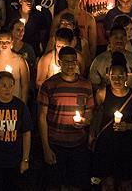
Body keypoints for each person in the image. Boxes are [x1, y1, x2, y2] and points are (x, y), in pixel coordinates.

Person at [38, 46, 93, 191]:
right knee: (54, 184)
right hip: (56, 144)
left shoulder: (85, 85)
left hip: (78, 144)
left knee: (76, 184)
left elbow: (90, 112)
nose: (70, 65)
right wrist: (46, 148)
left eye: (73, 62)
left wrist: (85, 121)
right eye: (66, 62)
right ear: (59, 62)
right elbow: (42, 116)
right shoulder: (49, 85)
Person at [89, 53, 132, 191]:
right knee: (107, 181)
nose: (117, 80)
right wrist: (92, 135)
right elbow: (96, 115)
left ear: (127, 76)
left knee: (125, 183)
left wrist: (127, 126)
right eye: (113, 76)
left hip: (126, 144)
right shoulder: (102, 93)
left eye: (121, 76)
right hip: (106, 143)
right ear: (109, 76)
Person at [0, 30, 29, 104]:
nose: (4, 44)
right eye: (1, 42)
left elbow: (25, 85)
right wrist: (1, 84)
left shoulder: (20, 61)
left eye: (7, 42)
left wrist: (23, 104)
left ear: (11, 44)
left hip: (14, 100)